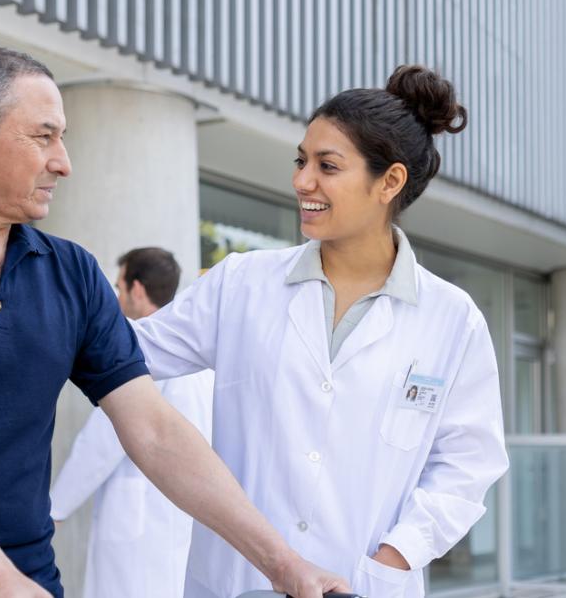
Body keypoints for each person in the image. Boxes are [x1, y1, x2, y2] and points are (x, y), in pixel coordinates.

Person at [0, 47, 345, 597]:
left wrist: (282, 565)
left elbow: (153, 431)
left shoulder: (73, 273)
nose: (63, 161)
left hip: (28, 581)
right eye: (43, 136)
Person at [133, 65, 511, 598]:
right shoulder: (242, 283)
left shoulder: (452, 318)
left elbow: (469, 463)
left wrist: (395, 556)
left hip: (363, 581)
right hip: (239, 580)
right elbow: (129, 353)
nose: (301, 181)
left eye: (327, 166)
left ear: (391, 181)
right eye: (301, 160)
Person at [49, 247, 215, 598]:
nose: (118, 297)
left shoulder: (138, 351)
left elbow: (102, 443)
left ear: (137, 290)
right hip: (186, 517)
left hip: (140, 520)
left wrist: (55, 508)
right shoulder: (199, 357)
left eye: (119, 287)